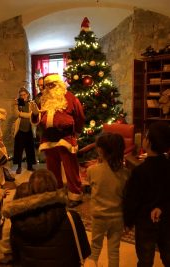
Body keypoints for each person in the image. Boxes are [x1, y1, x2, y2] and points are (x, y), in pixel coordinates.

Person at [2, 168, 91, 267]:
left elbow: (16, 254)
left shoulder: (18, 220)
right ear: (54, 188)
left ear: (30, 190)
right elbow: (84, 252)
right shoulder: (72, 218)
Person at [30, 73, 85, 207]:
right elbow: (37, 119)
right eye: (47, 85)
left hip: (65, 138)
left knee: (70, 169)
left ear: (59, 84)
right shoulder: (43, 99)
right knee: (52, 169)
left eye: (52, 85)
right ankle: (57, 194)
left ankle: (75, 195)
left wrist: (76, 132)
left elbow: (79, 116)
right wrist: (35, 115)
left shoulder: (70, 98)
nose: (49, 88)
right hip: (48, 139)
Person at [124, 121, 170, 267]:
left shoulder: (139, 171)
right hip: (167, 218)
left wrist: (128, 221)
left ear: (148, 142)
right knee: (168, 253)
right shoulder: (168, 166)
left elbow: (132, 199)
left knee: (145, 258)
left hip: (144, 222)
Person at [86, 132, 129, 267]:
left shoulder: (92, 170)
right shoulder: (126, 173)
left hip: (99, 216)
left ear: (100, 150)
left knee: (95, 249)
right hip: (117, 217)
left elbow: (92, 184)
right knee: (114, 250)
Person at [13, 87, 36, 174]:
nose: (23, 96)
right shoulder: (18, 103)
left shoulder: (31, 103)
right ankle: (19, 167)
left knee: (30, 149)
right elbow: (16, 114)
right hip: (20, 129)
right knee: (19, 149)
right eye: (21, 95)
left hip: (29, 129)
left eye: (24, 94)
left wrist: (21, 114)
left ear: (28, 95)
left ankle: (30, 166)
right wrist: (16, 106)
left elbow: (32, 115)